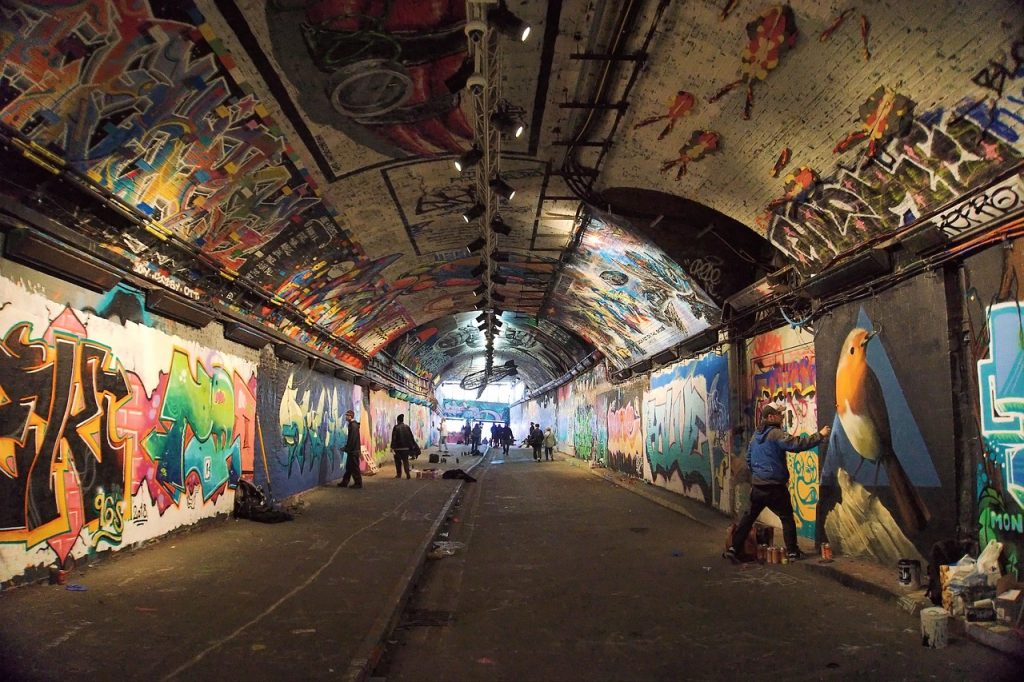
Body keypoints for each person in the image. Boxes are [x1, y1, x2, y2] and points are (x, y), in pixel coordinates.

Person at [724, 404, 830, 562]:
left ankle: (733, 548)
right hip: (775, 487)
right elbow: (797, 444)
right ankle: (792, 552)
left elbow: (748, 459)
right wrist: (820, 435)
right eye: (779, 414)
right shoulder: (776, 434)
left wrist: (759, 475)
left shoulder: (755, 437)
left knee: (748, 519)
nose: (782, 416)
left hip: (758, 487)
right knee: (787, 517)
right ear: (770, 417)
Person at [337, 409, 363, 488]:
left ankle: (358, 483)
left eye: (347, 415)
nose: (345, 417)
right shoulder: (353, 425)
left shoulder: (353, 425)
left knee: (354, 467)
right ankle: (345, 482)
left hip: (353, 451)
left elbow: (352, 439)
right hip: (353, 450)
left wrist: (347, 448)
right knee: (349, 467)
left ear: (350, 416)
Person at [390, 414, 418, 479]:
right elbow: (411, 437)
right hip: (406, 448)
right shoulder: (407, 427)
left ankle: (399, 475)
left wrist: (392, 447)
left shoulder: (396, 427)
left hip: (398, 448)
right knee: (405, 461)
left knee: (398, 462)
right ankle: (407, 474)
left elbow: (394, 438)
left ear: (398, 420)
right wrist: (412, 447)